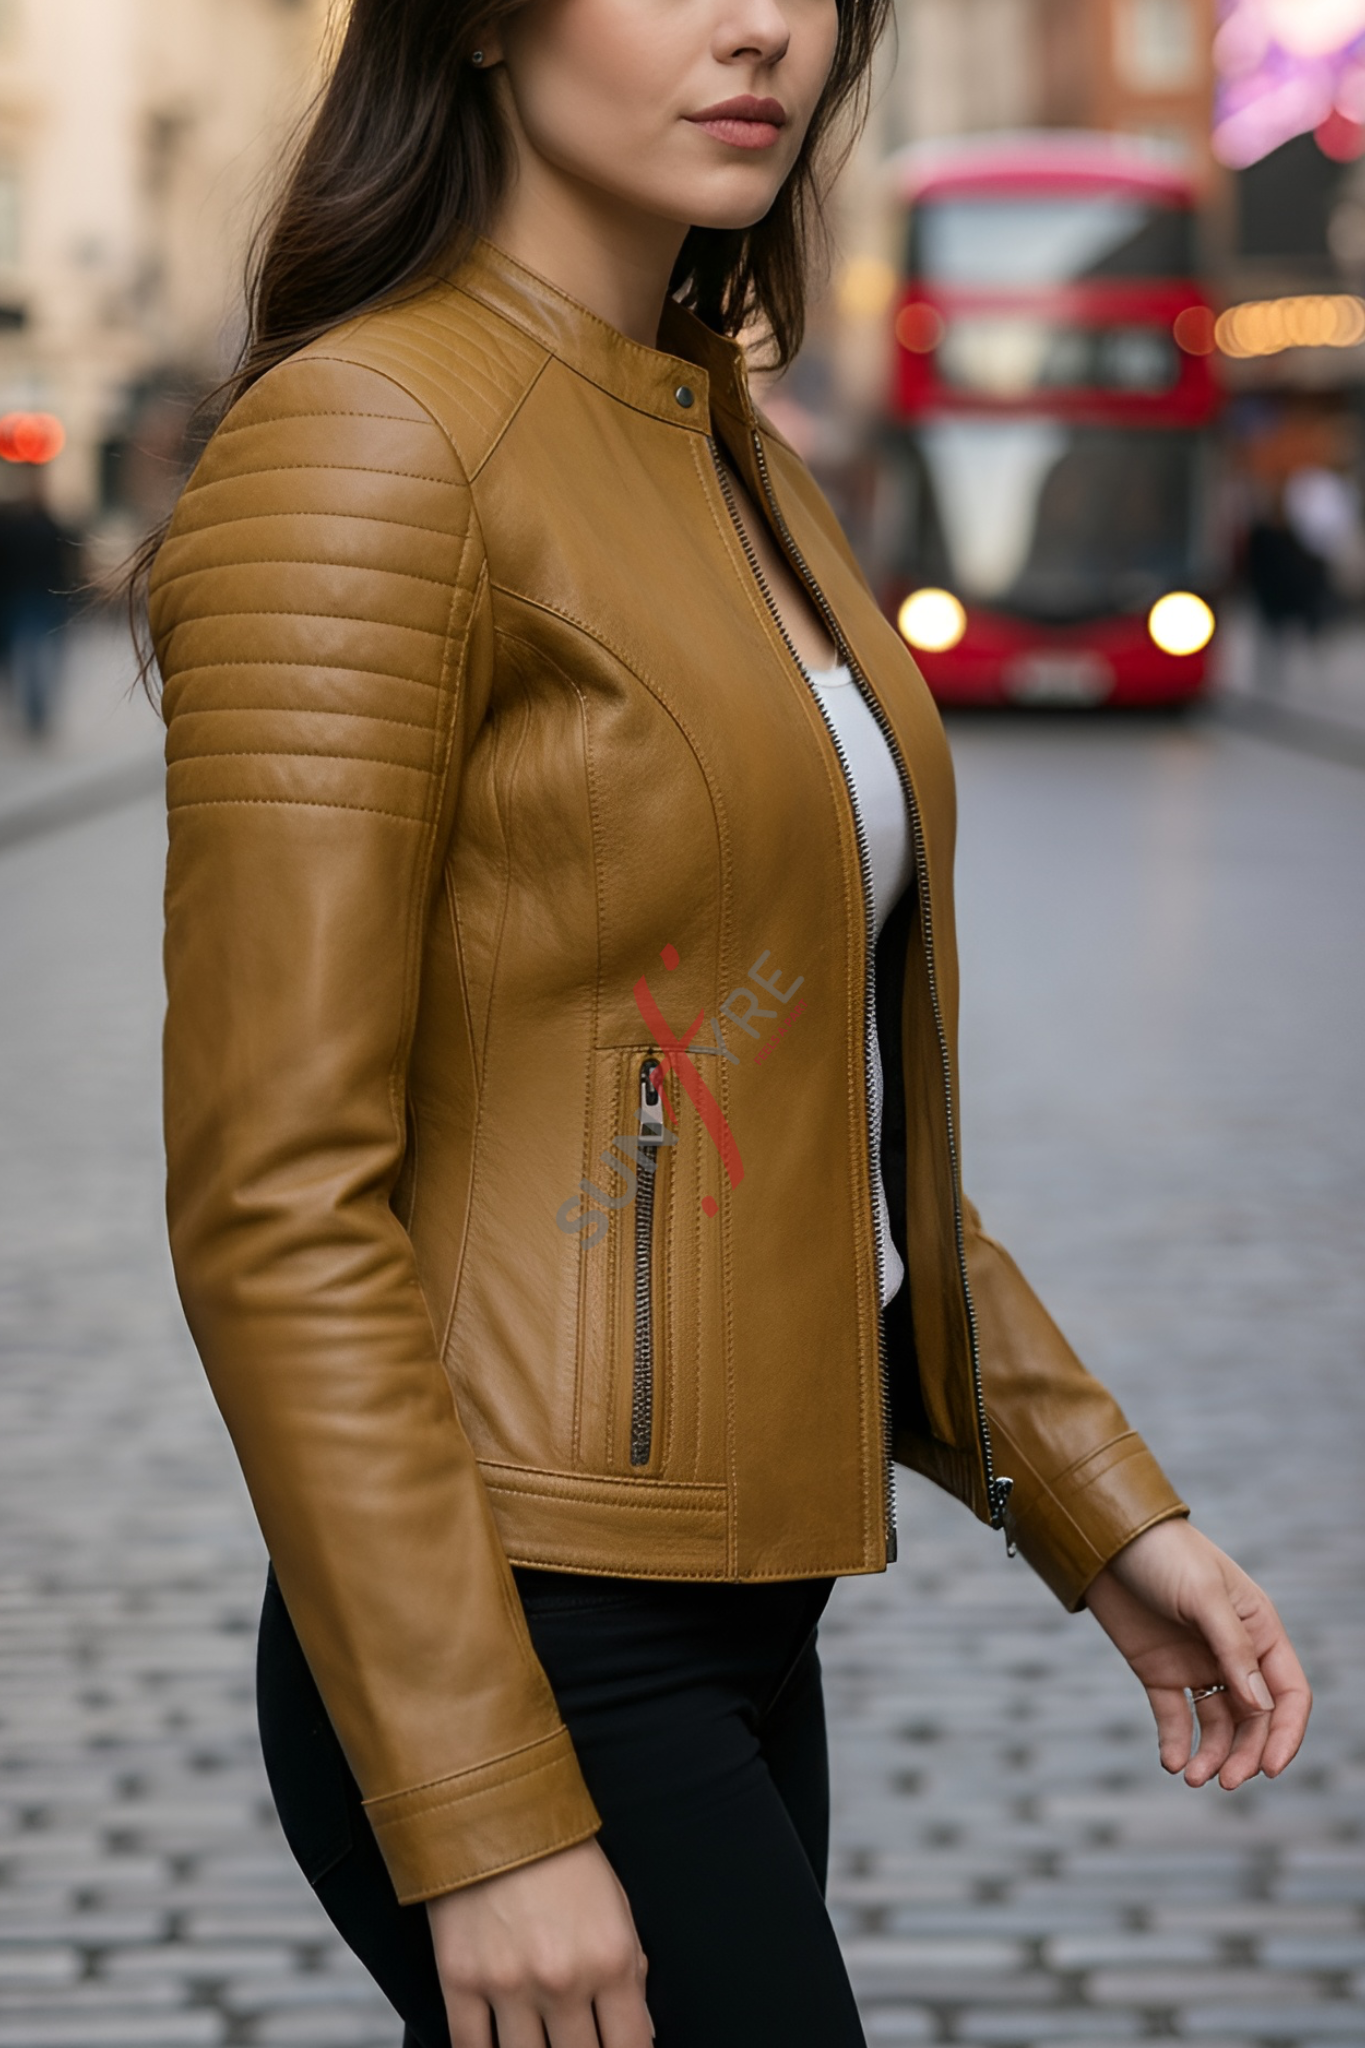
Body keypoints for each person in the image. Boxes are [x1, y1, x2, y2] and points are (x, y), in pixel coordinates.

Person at [142, 0, 1312, 2043]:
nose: (763, 23)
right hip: (518, 1624)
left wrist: (1093, 1500)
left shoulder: (722, 447)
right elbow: (274, 1200)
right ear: (482, 19)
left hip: (741, 1624)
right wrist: (483, 1805)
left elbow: (795, 1109)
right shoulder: (368, 435)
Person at [0, 467, 78, 736]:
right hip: (31, 597)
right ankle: (36, 711)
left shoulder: (34, 525)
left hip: (35, 597)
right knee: (37, 657)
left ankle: (36, 711)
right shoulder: (43, 525)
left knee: (34, 657)